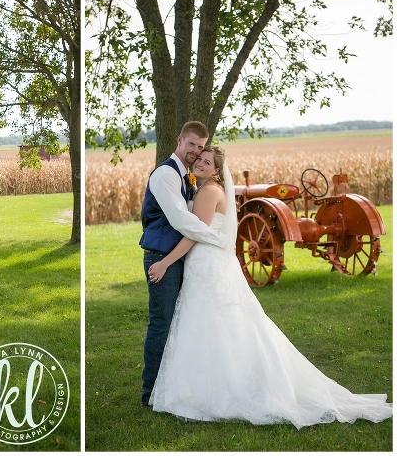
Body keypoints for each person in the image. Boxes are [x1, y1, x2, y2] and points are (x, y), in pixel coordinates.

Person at [147, 146, 392, 427]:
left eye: (206, 162)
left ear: (217, 170)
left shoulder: (206, 192)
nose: (200, 163)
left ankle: (215, 391)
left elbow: (193, 233)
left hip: (205, 263)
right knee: (224, 323)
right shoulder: (213, 190)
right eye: (199, 159)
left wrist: (165, 263)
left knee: (209, 322)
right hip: (210, 262)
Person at [139, 121, 228, 407]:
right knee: (162, 322)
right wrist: (217, 237)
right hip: (161, 255)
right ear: (179, 140)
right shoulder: (166, 174)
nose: (196, 152)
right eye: (192, 145)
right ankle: (150, 393)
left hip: (177, 256)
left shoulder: (188, 177)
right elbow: (182, 222)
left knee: (177, 321)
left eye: (201, 148)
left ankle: (171, 386)